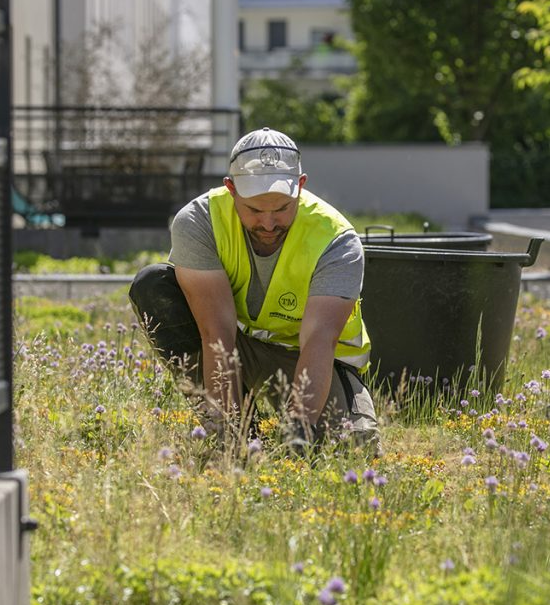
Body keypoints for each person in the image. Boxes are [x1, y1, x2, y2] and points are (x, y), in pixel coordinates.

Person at [129, 127, 380, 453]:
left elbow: (320, 341)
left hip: (311, 358)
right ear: (231, 189)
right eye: (255, 210)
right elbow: (216, 336)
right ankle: (239, 428)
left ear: (300, 186)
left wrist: (298, 435)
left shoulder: (336, 240)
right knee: (154, 285)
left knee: (356, 449)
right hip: (240, 347)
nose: (269, 223)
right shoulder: (199, 222)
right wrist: (228, 434)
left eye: (281, 209)